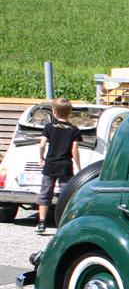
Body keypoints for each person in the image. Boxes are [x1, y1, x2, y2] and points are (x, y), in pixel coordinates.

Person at [36, 97, 81, 233]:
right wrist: (79, 166)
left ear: (54, 112)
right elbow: (74, 150)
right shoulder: (74, 129)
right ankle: (63, 223)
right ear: (69, 112)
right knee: (66, 195)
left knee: (45, 193)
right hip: (65, 166)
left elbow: (42, 144)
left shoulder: (49, 127)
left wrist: (41, 157)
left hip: (50, 165)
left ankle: (41, 223)